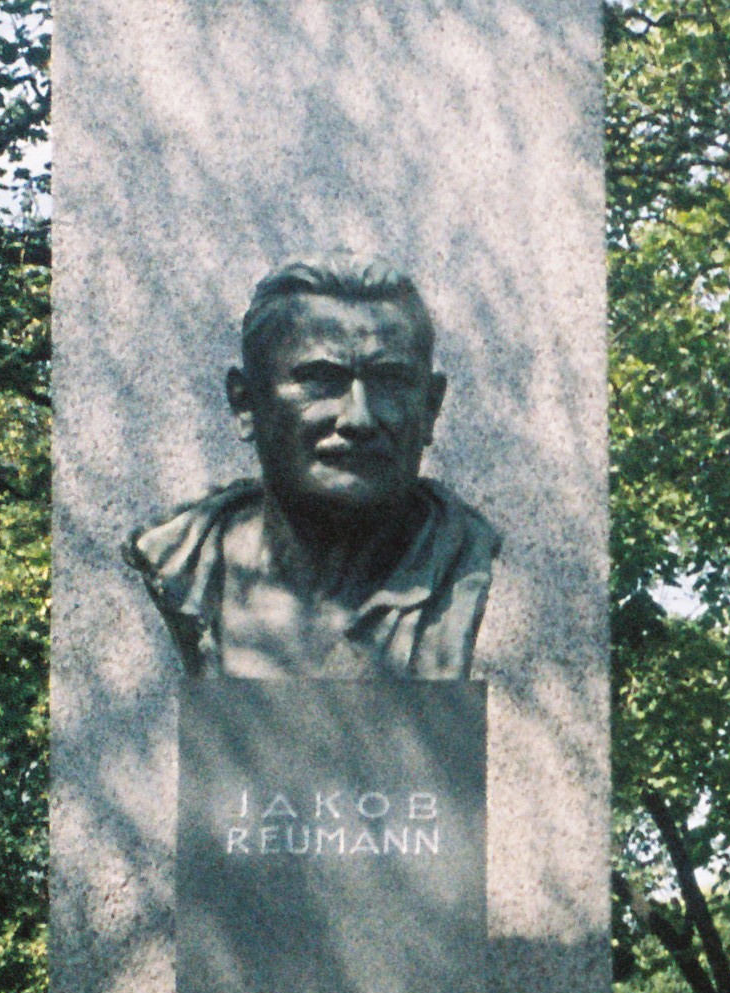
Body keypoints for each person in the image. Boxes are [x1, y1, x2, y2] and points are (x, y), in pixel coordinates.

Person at [126, 255, 501, 678]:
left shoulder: (461, 563)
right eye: (321, 380)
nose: (358, 418)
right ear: (245, 403)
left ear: (430, 407)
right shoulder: (184, 566)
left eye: (390, 381)